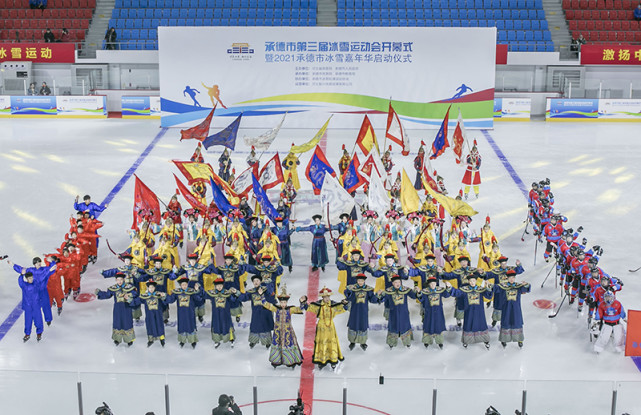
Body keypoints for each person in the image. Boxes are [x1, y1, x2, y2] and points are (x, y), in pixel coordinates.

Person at [262, 285, 307, 368]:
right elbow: (266, 304)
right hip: (278, 331)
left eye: (284, 302)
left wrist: (302, 302)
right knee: (277, 344)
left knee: (288, 344)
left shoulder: (290, 309)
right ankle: (276, 360)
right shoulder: (276, 309)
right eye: (281, 302)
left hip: (287, 331)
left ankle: (290, 360)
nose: (283, 304)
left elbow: (300, 309)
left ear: (287, 302)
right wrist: (262, 295)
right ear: (279, 302)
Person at [95, 272, 140, 346]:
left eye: (121, 279)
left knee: (127, 322)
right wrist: (99, 293)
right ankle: (117, 339)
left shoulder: (129, 287)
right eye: (118, 280)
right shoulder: (114, 288)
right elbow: (107, 295)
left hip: (127, 308)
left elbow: (135, 294)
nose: (119, 281)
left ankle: (129, 339)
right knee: (117, 323)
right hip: (117, 309)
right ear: (116, 280)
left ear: (123, 279)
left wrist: (129, 296)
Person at [307, 287, 347, 370]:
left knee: (332, 342)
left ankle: (333, 359)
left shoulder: (333, 305)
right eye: (325, 297)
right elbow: (309, 307)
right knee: (322, 343)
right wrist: (303, 302)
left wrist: (345, 304)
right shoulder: (318, 305)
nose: (327, 299)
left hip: (330, 327)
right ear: (322, 297)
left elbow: (342, 308)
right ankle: (321, 360)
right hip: (321, 326)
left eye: (328, 297)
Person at [449, 275, 493, 349]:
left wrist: (488, 288)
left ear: (476, 281)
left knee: (481, 324)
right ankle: (467, 340)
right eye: (470, 281)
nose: (472, 282)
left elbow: (488, 296)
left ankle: (485, 339)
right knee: (469, 324)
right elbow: (456, 293)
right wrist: (449, 287)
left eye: (473, 281)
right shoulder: (464, 290)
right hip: (469, 311)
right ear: (468, 282)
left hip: (479, 312)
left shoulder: (480, 289)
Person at [492, 270, 531, 348]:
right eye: (510, 278)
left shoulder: (518, 286)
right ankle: (504, 339)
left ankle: (519, 340)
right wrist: (489, 285)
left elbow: (526, 289)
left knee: (517, 322)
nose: (512, 279)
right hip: (506, 308)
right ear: (507, 278)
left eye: (513, 277)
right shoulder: (503, 286)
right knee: (506, 322)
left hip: (516, 309)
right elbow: (495, 288)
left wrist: (526, 284)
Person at [343, 273, 381, 350]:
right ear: (357, 281)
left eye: (362, 280)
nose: (360, 282)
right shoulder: (352, 288)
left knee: (362, 325)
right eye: (359, 280)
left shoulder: (368, 289)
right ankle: (352, 341)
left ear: (364, 281)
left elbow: (372, 299)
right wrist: (348, 292)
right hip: (354, 310)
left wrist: (377, 295)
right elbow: (348, 297)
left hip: (363, 311)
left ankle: (363, 342)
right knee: (353, 325)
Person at [377, 275, 416, 348]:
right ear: (392, 283)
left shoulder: (405, 290)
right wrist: (379, 294)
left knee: (405, 327)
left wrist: (417, 290)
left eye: (399, 282)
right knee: (393, 327)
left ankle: (407, 342)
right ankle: (392, 343)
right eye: (395, 282)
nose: (397, 284)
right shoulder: (389, 291)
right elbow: (382, 299)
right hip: (393, 314)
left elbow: (414, 296)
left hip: (404, 313)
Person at [164, 276, 203, 348]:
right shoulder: (177, 292)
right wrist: (165, 296)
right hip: (181, 313)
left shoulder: (191, 291)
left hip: (190, 313)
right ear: (180, 285)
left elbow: (198, 299)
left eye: (185, 284)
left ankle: (193, 340)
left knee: (191, 325)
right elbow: (171, 300)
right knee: (182, 326)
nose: (184, 286)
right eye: (182, 285)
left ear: (187, 284)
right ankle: (182, 340)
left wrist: (197, 291)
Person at [203, 278, 241, 348]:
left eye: (220, 285)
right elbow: (203, 294)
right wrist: (198, 289)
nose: (219, 287)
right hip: (216, 314)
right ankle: (217, 340)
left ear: (223, 285)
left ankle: (231, 339)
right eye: (217, 286)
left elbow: (233, 299)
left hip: (225, 313)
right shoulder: (212, 293)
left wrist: (235, 293)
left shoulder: (227, 293)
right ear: (215, 286)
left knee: (227, 325)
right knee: (217, 325)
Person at [417, 276, 452, 349]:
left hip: (438, 312)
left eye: (434, 283)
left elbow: (446, 295)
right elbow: (421, 299)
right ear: (429, 284)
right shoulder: (425, 291)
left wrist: (448, 287)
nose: (433, 285)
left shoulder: (440, 290)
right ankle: (427, 341)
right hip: (429, 312)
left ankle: (440, 341)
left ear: (436, 283)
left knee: (438, 326)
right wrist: (419, 293)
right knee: (428, 325)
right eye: (431, 284)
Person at [139, 280, 167, 347]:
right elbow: (138, 300)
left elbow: (165, 302)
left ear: (155, 288)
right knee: (150, 325)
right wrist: (129, 299)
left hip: (158, 314)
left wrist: (164, 296)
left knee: (159, 325)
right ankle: (150, 339)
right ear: (148, 288)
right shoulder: (145, 296)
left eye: (152, 287)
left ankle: (162, 339)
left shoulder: (158, 295)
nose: (151, 289)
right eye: (150, 287)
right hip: (149, 315)